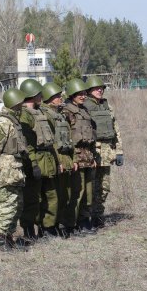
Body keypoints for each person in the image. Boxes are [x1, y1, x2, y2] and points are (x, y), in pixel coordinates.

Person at [0, 88, 28, 251]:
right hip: (7, 170)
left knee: (16, 205)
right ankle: (1, 242)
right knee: (6, 205)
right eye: (20, 103)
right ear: (15, 103)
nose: (22, 106)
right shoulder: (3, 122)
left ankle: (9, 238)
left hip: (15, 170)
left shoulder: (13, 120)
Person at [19, 79, 59, 239]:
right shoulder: (24, 115)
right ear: (32, 95)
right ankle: (29, 231)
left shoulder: (42, 112)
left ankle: (47, 228)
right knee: (32, 198)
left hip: (47, 158)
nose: (42, 96)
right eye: (39, 93)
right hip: (34, 159)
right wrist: (33, 164)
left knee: (51, 195)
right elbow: (26, 143)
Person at [83, 76, 123, 229]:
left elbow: (116, 130)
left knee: (104, 187)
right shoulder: (84, 107)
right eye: (96, 88)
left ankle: (98, 216)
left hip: (107, 153)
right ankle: (87, 218)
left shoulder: (107, 106)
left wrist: (119, 151)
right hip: (92, 153)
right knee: (90, 187)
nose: (100, 90)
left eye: (102, 88)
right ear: (89, 90)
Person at [40, 82, 78, 238]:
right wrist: (58, 162)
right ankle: (48, 227)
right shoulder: (45, 115)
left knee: (66, 196)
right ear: (49, 98)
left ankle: (58, 224)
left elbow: (69, 139)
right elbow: (51, 143)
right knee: (53, 196)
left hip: (67, 158)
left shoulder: (61, 114)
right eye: (56, 96)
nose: (60, 98)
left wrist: (74, 159)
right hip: (57, 160)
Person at [62, 78, 97, 235]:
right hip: (75, 158)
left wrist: (93, 157)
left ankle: (84, 221)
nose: (83, 96)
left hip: (88, 158)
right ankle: (71, 225)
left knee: (88, 193)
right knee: (77, 192)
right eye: (80, 94)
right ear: (72, 95)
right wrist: (71, 159)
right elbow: (64, 139)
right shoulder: (66, 112)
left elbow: (91, 136)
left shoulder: (85, 111)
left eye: (84, 93)